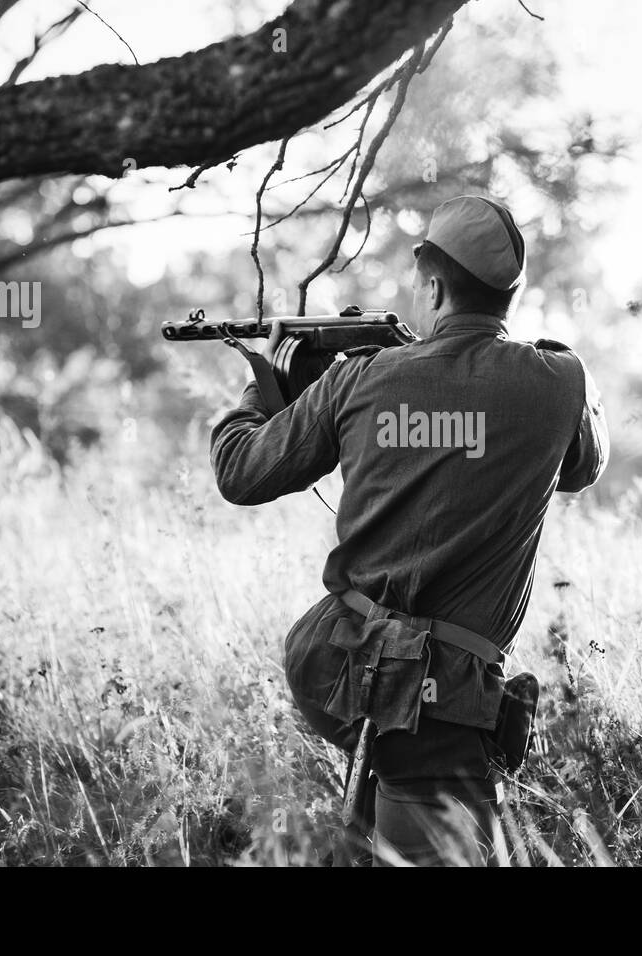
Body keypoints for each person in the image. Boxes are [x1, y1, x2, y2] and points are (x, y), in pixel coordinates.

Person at [210, 195, 609, 865]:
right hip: (442, 702)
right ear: (509, 293)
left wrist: (268, 390)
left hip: (344, 668)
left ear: (431, 284)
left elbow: (239, 472)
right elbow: (580, 468)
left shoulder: (360, 379)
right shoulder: (560, 381)